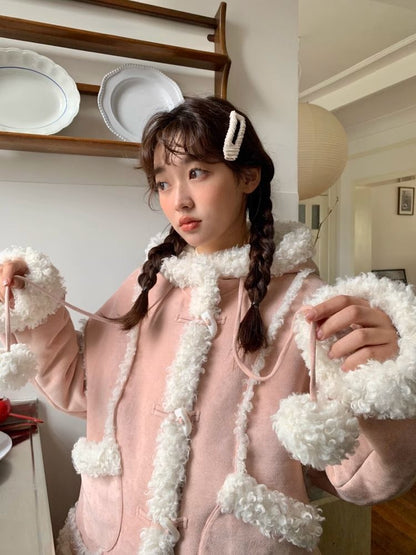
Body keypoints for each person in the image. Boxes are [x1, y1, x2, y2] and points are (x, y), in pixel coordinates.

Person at [0, 96, 415, 555]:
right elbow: (80, 389)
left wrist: (383, 385)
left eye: (197, 172)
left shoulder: (307, 308)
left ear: (248, 177)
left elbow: (358, 478)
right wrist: (29, 299)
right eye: (163, 182)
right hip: (107, 540)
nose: (179, 199)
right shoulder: (147, 285)